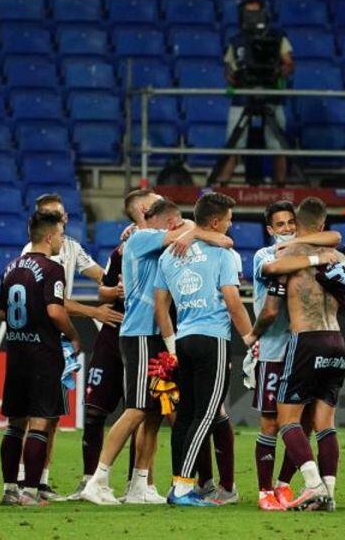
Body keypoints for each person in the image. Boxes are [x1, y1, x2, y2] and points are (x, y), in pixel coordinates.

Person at [81, 198, 233, 505]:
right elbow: (213, 235)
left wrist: (191, 232)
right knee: (136, 409)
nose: (179, 229)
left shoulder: (160, 241)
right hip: (137, 332)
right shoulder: (140, 238)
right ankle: (97, 480)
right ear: (169, 223)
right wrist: (190, 233)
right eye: (176, 225)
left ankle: (140, 484)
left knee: (153, 413)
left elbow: (206, 232)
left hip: (153, 335)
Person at [246, 197, 345, 512]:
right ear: (270, 229)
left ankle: (302, 486)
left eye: (290, 223)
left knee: (292, 421)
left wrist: (249, 337)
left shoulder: (293, 253)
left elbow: (271, 305)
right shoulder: (334, 257)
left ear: (299, 223)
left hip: (302, 343)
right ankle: (278, 491)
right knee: (300, 421)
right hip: (313, 343)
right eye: (279, 225)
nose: (285, 229)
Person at [18, 193, 118, 500]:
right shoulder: (34, 254)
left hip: (57, 341)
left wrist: (122, 281)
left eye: (59, 214)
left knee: (53, 414)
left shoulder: (71, 247)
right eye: (48, 214)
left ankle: (42, 478)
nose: (57, 219)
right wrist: (94, 312)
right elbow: (55, 303)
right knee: (32, 415)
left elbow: (103, 275)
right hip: (39, 338)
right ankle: (24, 478)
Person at [157, 193, 253, 506]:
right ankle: (184, 488)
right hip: (213, 338)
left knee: (185, 415)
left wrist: (171, 344)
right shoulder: (222, 254)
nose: (231, 225)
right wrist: (251, 338)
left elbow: (162, 304)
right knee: (207, 414)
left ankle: (179, 481)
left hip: (184, 338)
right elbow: (233, 301)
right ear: (215, 222)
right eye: (228, 219)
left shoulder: (169, 254)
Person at [70, 189, 158, 500]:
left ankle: (140, 483)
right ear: (146, 209)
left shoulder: (152, 240)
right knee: (98, 411)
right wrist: (119, 291)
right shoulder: (123, 249)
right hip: (118, 331)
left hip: (146, 333)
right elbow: (104, 292)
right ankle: (91, 479)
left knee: (145, 411)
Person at [0, 211, 81, 507]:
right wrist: (73, 335)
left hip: (16, 354)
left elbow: (1, 313)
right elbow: (55, 311)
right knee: (40, 423)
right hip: (42, 355)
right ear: (48, 237)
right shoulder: (52, 269)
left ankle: (9, 489)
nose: (61, 240)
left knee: (14, 424)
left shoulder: (11, 267)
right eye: (60, 235)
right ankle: (31, 491)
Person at [216, 0, 295, 185]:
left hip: (271, 96)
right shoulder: (236, 41)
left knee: (278, 144)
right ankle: (221, 185)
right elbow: (228, 68)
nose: (252, 17)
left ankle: (280, 186)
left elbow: (289, 63)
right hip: (242, 97)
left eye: (256, 12)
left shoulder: (277, 37)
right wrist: (232, 76)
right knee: (234, 144)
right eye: (248, 13)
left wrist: (279, 72)